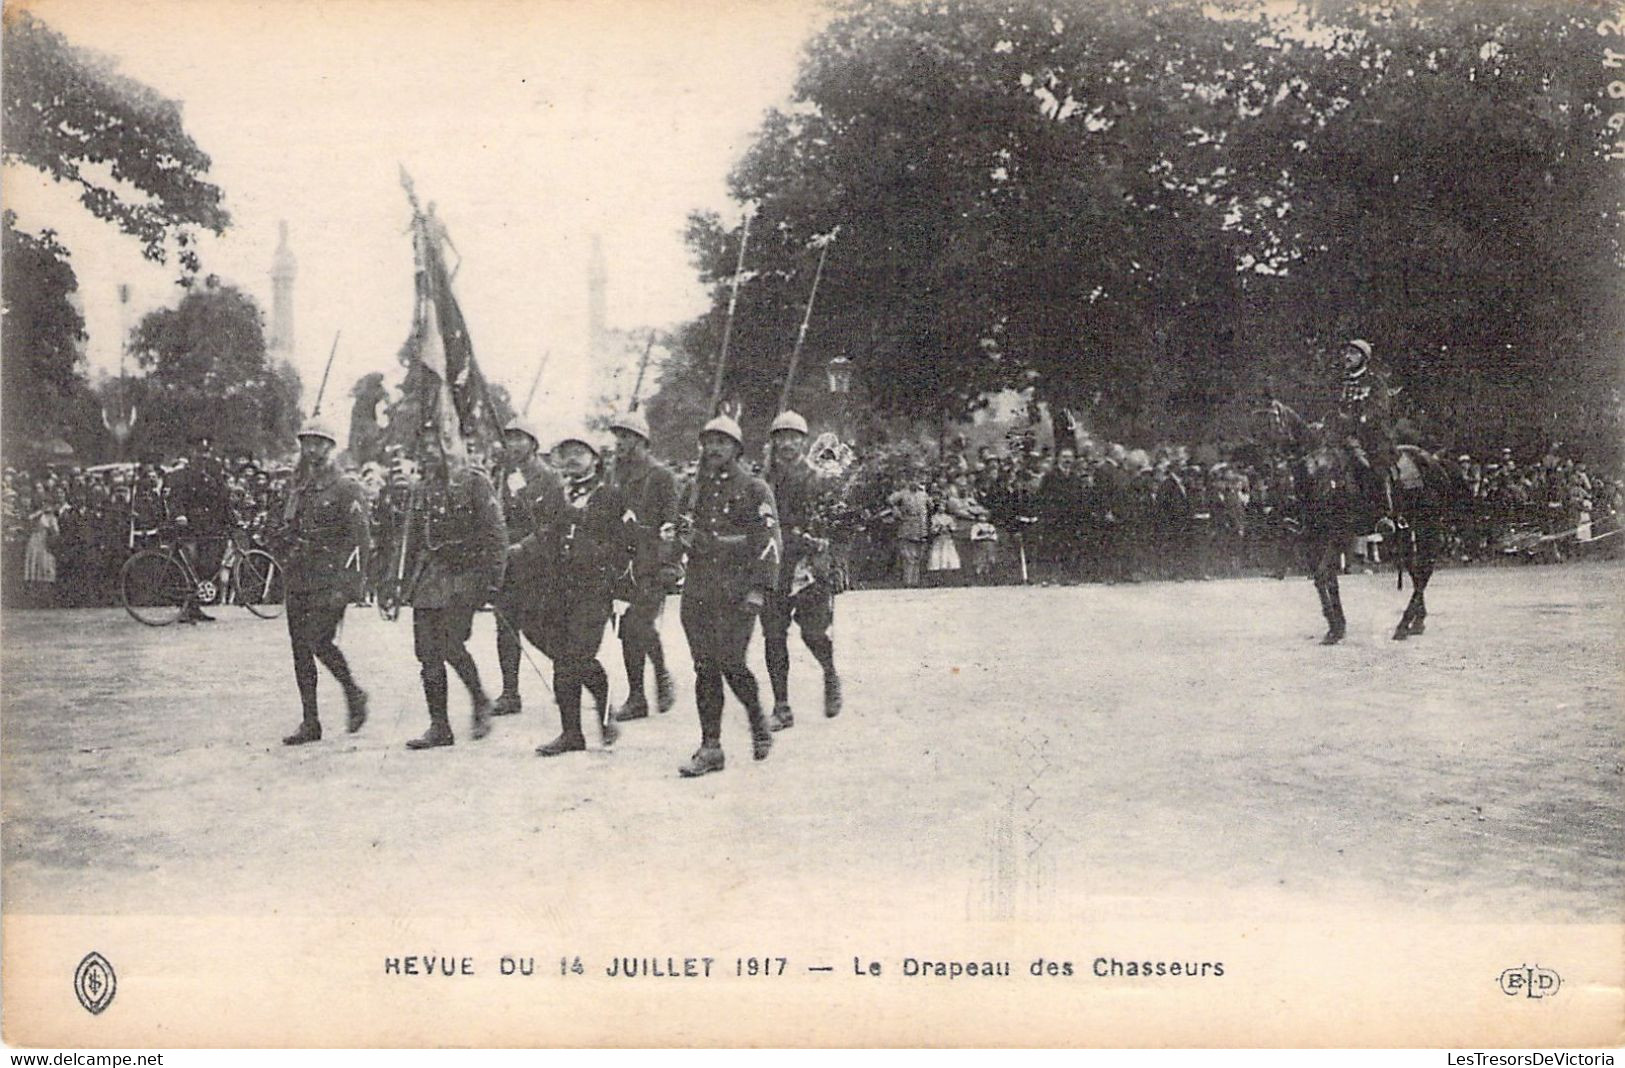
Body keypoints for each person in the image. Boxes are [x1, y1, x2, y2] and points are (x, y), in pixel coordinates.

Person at [675, 414, 781, 778]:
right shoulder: (693, 488)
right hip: (699, 589)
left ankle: (757, 720)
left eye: (722, 442)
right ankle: (711, 746)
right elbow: (675, 529)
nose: (714, 448)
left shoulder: (754, 489)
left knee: (731, 663)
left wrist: (759, 589)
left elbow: (768, 542)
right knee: (704, 667)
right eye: (709, 442)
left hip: (737, 591)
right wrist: (678, 542)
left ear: (737, 448)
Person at [517, 430, 631, 757]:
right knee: (564, 657)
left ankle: (599, 717)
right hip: (559, 587)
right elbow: (547, 532)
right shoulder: (558, 493)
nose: (572, 458)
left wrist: (618, 583)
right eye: (566, 452)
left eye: (579, 452)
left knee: (573, 658)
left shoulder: (610, 495)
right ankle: (572, 733)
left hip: (594, 588)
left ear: (595, 459)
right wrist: (522, 548)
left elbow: (625, 543)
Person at [270, 419, 371, 746]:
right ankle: (310, 721)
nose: (311, 449)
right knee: (300, 649)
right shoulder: (298, 486)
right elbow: (288, 525)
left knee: (319, 641)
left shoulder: (345, 486)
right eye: (307, 443)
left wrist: (350, 586)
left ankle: (353, 692)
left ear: (331, 447)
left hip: (330, 579)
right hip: (299, 575)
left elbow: (359, 540)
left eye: (318, 443)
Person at [404, 446, 506, 750]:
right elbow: (411, 537)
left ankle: (479, 700)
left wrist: (493, 580)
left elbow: (496, 532)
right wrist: (398, 581)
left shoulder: (474, 482)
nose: (430, 453)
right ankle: (439, 726)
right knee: (426, 652)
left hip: (465, 574)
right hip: (430, 577)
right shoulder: (421, 489)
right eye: (426, 446)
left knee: (450, 644)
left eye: (437, 446)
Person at [761, 410, 842, 733]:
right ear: (774, 442)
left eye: (794, 438)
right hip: (773, 564)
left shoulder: (817, 479)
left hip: (807, 564)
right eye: (782, 437)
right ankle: (781, 706)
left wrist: (822, 548)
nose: (788, 444)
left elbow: (829, 523)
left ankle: (830, 672)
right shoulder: (763, 480)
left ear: (803, 442)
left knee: (813, 633)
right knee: (773, 635)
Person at [606, 409, 680, 723]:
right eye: (618, 437)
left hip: (651, 563)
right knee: (625, 630)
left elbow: (674, 525)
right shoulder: (613, 476)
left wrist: (669, 563)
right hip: (620, 564)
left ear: (641, 441)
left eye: (626, 437)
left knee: (640, 625)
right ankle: (637, 696)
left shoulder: (661, 476)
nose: (620, 443)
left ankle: (661, 675)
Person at [489, 420, 565, 718]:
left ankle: (568, 679)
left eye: (520, 438)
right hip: (507, 562)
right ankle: (510, 693)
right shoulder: (503, 477)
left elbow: (554, 524)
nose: (514, 444)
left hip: (538, 562)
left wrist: (525, 546)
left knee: (541, 628)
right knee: (505, 628)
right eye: (509, 439)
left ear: (533, 443)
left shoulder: (549, 478)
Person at [167, 432, 233, 622]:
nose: (203, 455)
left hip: (212, 527)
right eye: (199, 451)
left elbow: (223, 498)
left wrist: (232, 520)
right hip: (191, 527)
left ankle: (195, 608)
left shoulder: (215, 472)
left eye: (206, 451)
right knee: (190, 567)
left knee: (209, 568)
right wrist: (179, 515)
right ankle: (187, 608)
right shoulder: (181, 475)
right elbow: (175, 498)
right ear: (191, 451)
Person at [1333, 338, 1397, 520]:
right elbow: (1331, 406)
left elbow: (1381, 408)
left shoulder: (1375, 381)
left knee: (1375, 466)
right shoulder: (1339, 382)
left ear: (1363, 357)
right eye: (1346, 352)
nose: (1347, 356)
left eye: (1353, 353)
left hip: (1371, 436)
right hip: (1342, 434)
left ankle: (1385, 513)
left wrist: (1362, 418)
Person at [887, 475, 929, 587]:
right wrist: (896, 510)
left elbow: (931, 506)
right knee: (908, 555)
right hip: (907, 524)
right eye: (912, 479)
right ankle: (908, 581)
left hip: (921, 525)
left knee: (918, 555)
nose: (914, 482)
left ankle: (916, 581)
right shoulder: (903, 493)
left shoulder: (923, 495)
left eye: (917, 479)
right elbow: (890, 500)